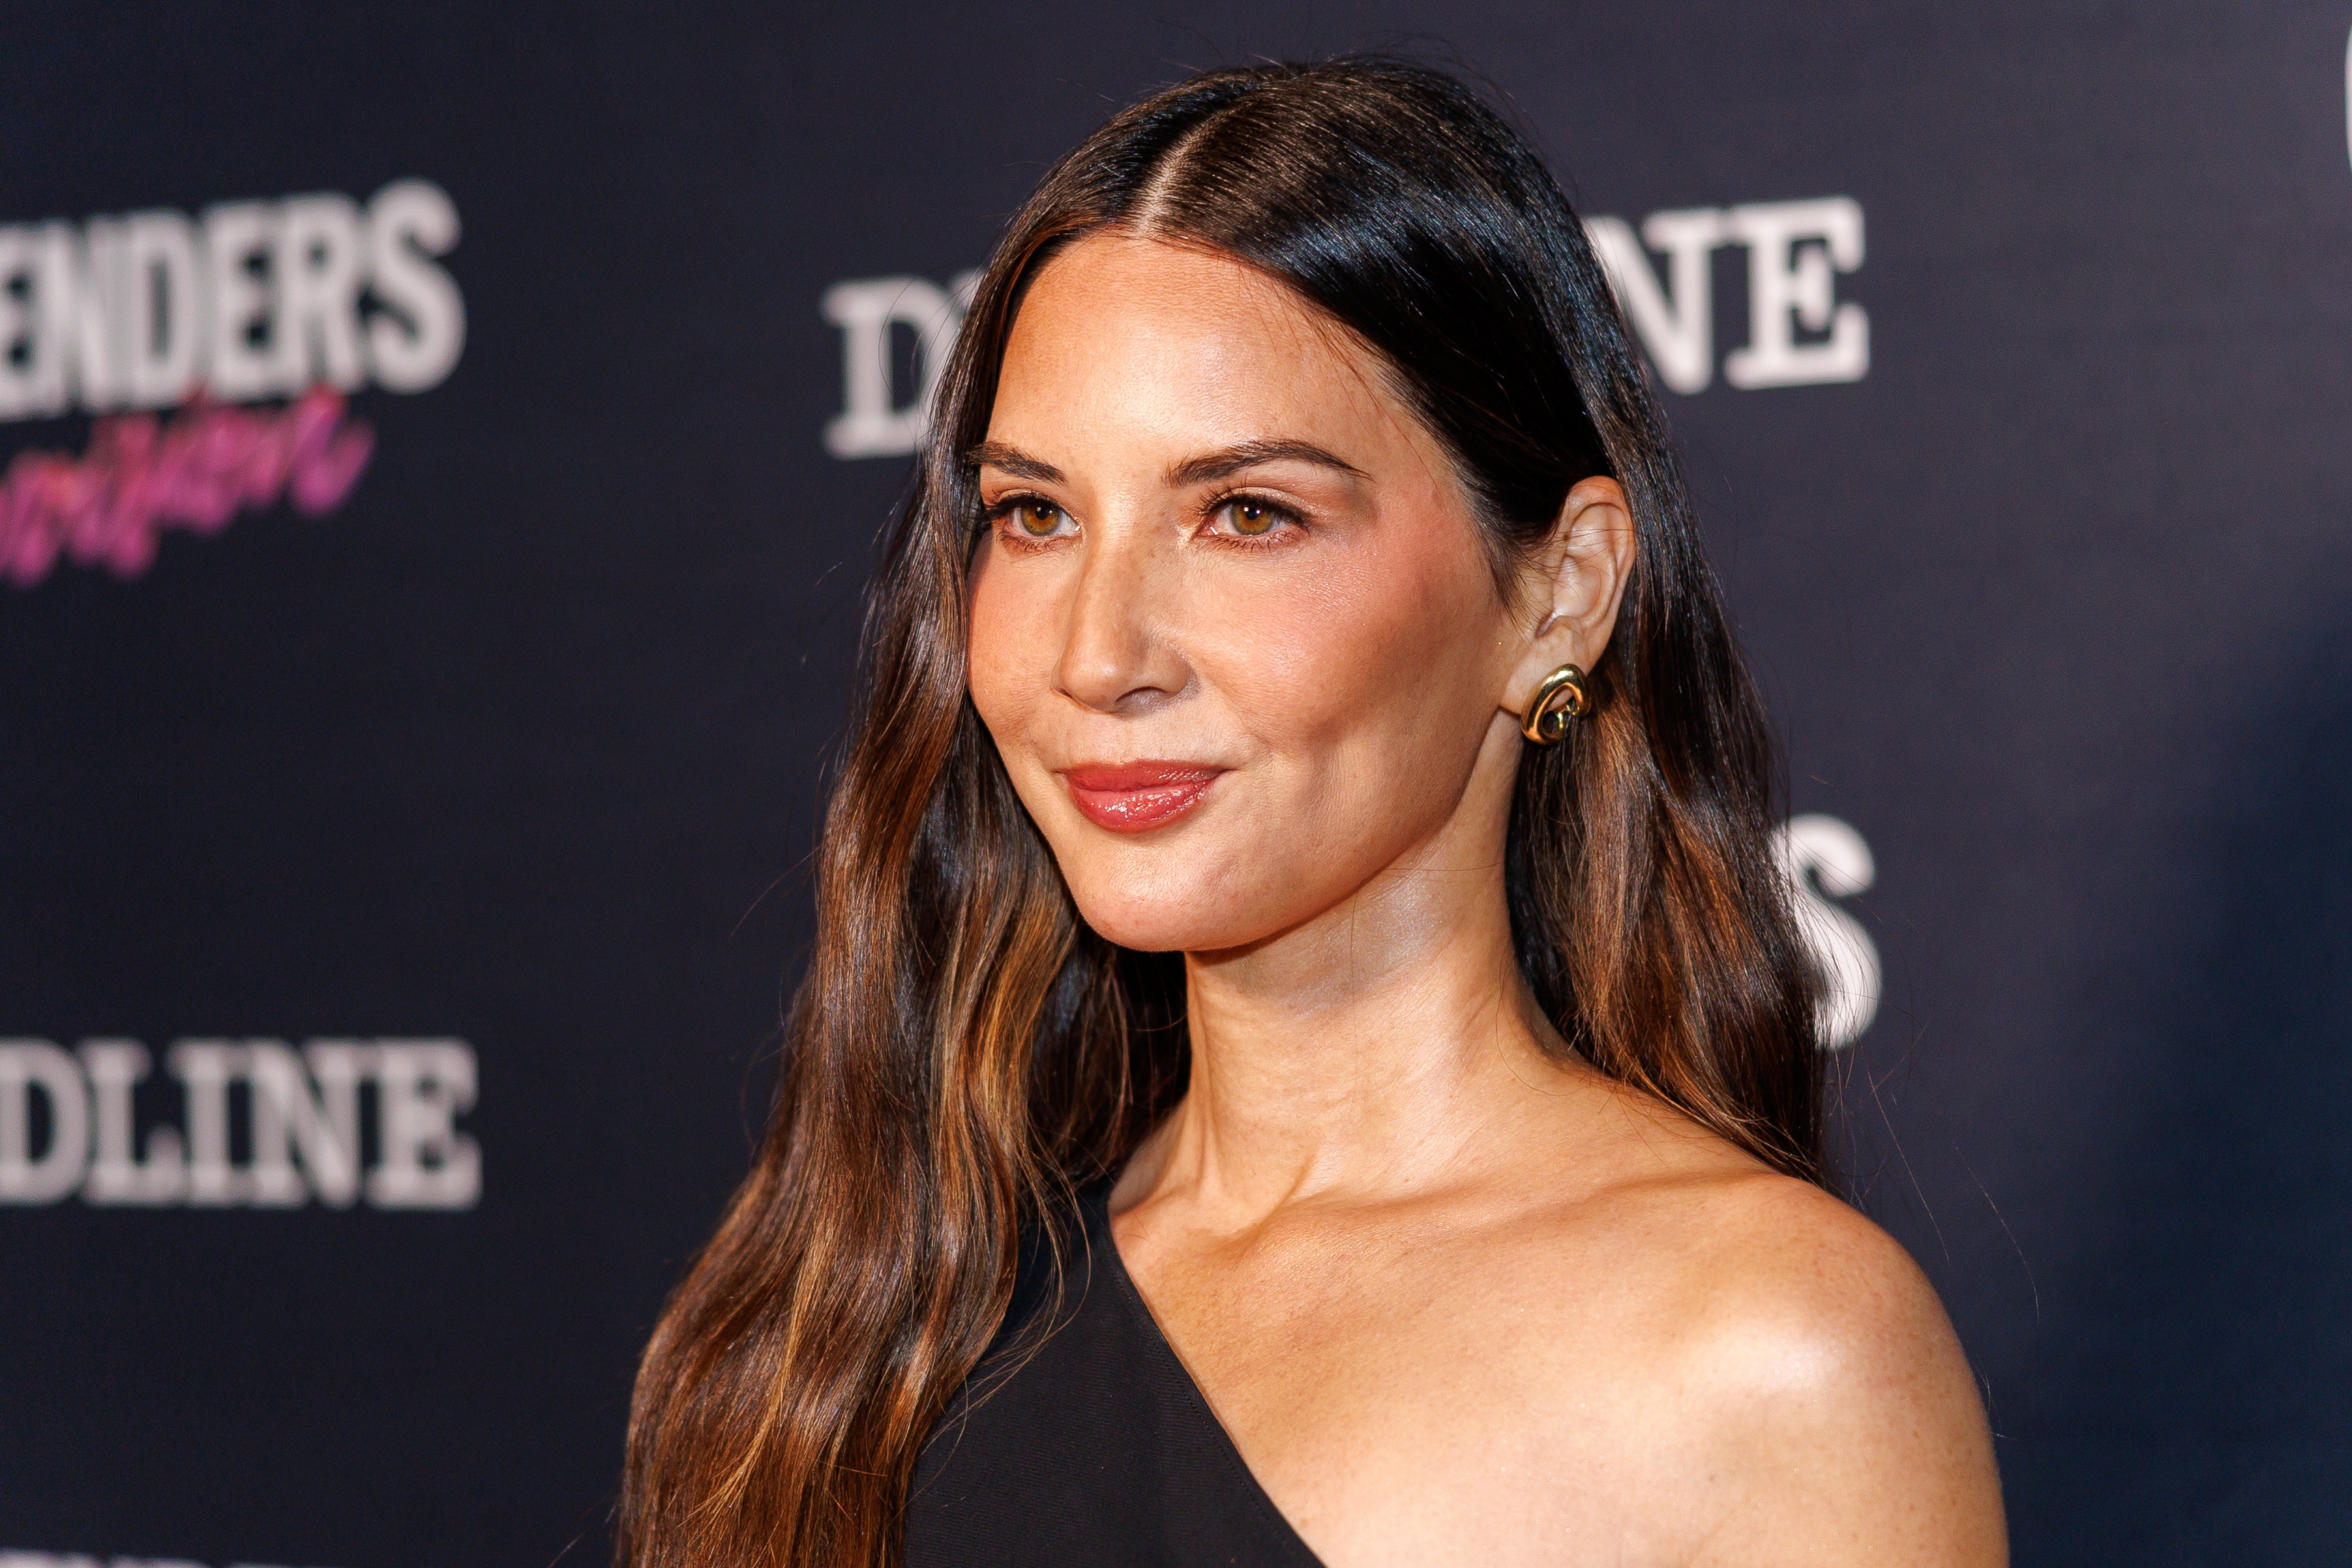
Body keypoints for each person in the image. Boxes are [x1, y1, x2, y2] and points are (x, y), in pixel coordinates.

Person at [620, 56, 2006, 1568]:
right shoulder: (856, 1321)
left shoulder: (1770, 1354)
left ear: (1559, 594)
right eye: (1036, 514)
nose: (1099, 655)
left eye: (1247, 514)